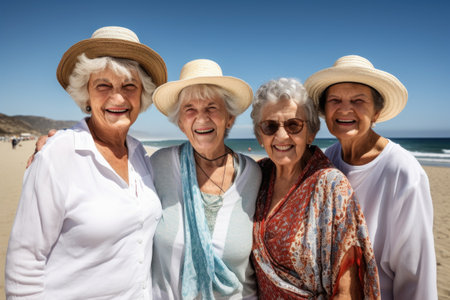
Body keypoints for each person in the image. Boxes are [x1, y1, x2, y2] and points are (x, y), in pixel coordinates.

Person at [5, 26, 167, 299]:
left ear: (142, 95)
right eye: (103, 85)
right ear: (86, 94)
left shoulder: (141, 156)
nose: (118, 97)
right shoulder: (57, 155)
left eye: (129, 85)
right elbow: (24, 265)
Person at [305, 55, 437, 299]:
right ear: (324, 111)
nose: (345, 108)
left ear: (377, 112)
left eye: (358, 100)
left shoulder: (403, 171)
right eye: (335, 100)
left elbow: (417, 275)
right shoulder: (325, 162)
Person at [250, 78, 380, 299]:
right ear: (260, 136)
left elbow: (348, 291)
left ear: (310, 132)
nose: (281, 136)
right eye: (270, 126)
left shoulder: (331, 186)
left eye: (293, 125)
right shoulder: (257, 175)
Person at [149, 58, 262, 299]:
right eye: (190, 109)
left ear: (229, 118)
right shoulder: (158, 165)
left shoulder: (254, 175)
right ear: (180, 122)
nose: (201, 118)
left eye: (212, 107)